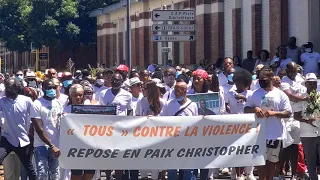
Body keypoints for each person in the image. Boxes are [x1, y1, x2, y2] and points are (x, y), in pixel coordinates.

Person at [244, 66, 292, 180]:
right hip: (258, 133)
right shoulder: (253, 94)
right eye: (259, 80)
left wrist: (274, 113)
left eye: (263, 79)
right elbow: (246, 109)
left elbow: (288, 112)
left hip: (275, 134)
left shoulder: (280, 94)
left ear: (271, 78)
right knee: (260, 161)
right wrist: (254, 109)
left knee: (272, 162)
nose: (260, 82)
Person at [0, 77, 37, 180]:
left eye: (10, 88)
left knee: (29, 169)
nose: (8, 91)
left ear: (17, 88)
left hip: (23, 140)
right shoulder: (2, 101)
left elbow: (35, 119)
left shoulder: (27, 101)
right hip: (7, 139)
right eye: (7, 88)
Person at [160, 82, 198, 180]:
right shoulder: (168, 104)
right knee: (172, 168)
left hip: (188, 142)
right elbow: (161, 119)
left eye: (179, 90)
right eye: (175, 89)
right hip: (172, 141)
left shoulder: (193, 105)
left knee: (188, 168)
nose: (176, 92)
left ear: (185, 91)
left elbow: (196, 123)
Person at [99, 73, 133, 180]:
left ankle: (118, 177)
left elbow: (130, 110)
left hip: (121, 130)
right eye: (113, 80)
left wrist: (129, 125)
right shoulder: (103, 93)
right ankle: (108, 176)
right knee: (108, 154)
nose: (115, 82)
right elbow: (100, 110)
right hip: (107, 129)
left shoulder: (127, 95)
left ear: (122, 82)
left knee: (119, 155)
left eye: (118, 80)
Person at [30, 79, 63, 179]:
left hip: (56, 144)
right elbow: (39, 129)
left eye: (54, 88)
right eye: (49, 88)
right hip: (41, 145)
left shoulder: (58, 103)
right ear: (43, 89)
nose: (52, 90)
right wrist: (51, 146)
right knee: (42, 174)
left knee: (55, 174)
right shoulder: (37, 104)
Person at [279, 62, 307, 180]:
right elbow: (291, 96)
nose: (294, 73)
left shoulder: (300, 79)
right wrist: (305, 98)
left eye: (295, 70)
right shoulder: (284, 82)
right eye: (291, 70)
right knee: (285, 147)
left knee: (295, 146)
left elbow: (305, 89)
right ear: (287, 70)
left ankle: (294, 174)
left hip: (297, 116)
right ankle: (280, 172)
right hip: (286, 117)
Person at [226, 68, 256, 180]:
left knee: (249, 149)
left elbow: (254, 106)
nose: (239, 85)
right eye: (237, 82)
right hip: (234, 124)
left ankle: (249, 173)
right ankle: (236, 174)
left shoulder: (251, 94)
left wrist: (244, 97)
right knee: (236, 150)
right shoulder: (229, 93)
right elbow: (225, 106)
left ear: (247, 84)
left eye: (242, 83)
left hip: (249, 124)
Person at [64, 84, 96, 180]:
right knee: (76, 173)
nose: (78, 97)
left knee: (90, 171)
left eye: (80, 95)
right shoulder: (66, 110)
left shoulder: (89, 108)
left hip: (89, 145)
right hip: (74, 147)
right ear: (70, 95)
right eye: (75, 95)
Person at [293, 73, 319, 180]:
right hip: (307, 133)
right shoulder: (301, 98)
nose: (313, 85)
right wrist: (308, 121)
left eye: (314, 83)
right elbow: (296, 116)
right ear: (306, 84)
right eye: (310, 83)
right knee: (311, 161)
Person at [136, 80, 163, 180]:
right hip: (143, 135)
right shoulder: (140, 102)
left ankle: (155, 178)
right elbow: (137, 117)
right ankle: (144, 177)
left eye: (144, 89)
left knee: (155, 159)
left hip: (156, 136)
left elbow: (165, 119)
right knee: (142, 158)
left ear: (150, 90)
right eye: (142, 88)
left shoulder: (161, 102)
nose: (142, 90)